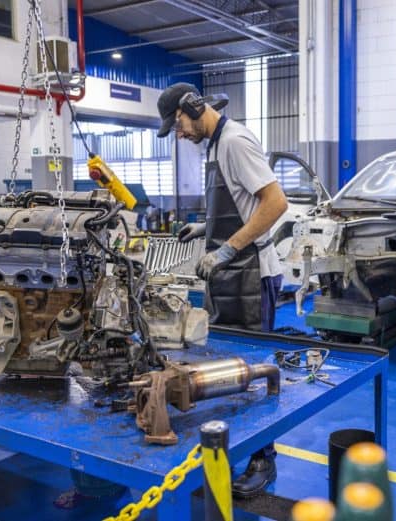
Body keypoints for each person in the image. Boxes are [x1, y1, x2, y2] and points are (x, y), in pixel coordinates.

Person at [156, 82, 288, 497]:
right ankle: (241, 447)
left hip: (253, 274)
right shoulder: (214, 146)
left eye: (176, 125)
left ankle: (263, 460)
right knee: (231, 366)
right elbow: (238, 203)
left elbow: (274, 203)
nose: (178, 134)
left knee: (254, 366)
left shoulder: (234, 142)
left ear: (192, 108)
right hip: (232, 274)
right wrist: (206, 228)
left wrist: (227, 248)